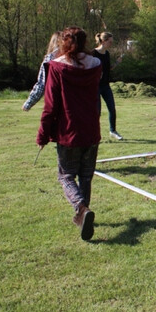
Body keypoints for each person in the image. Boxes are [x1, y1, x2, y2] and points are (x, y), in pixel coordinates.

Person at [37, 26, 102, 241]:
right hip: (91, 130)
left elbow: (50, 105)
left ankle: (82, 210)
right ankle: (83, 214)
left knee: (65, 176)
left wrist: (43, 134)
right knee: (85, 176)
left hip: (69, 132)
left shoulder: (57, 68)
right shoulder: (96, 65)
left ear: (64, 43)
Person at [93, 32, 123, 140]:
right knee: (97, 111)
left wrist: (117, 63)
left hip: (105, 85)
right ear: (103, 41)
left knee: (112, 108)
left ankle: (113, 131)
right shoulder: (93, 53)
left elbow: (108, 68)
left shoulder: (107, 54)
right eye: (110, 42)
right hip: (95, 86)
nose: (111, 44)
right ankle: (94, 133)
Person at [22, 32, 61, 111]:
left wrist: (28, 103)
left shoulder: (49, 59)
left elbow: (41, 84)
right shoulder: (73, 58)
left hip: (54, 100)